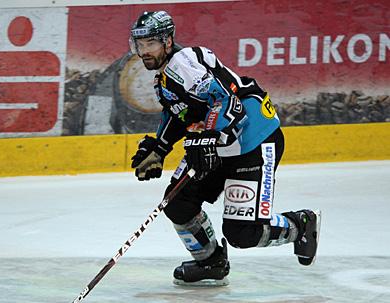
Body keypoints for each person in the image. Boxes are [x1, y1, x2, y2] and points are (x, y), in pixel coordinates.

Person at [129, 10, 322, 286]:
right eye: (140, 45)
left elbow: (228, 102)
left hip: (254, 140)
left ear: (168, 41)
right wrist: (160, 147)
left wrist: (207, 137)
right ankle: (211, 262)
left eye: (151, 44)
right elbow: (180, 111)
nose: (144, 51)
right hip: (221, 143)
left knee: (243, 233)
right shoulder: (165, 78)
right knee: (178, 203)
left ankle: (299, 225)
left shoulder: (183, 64)